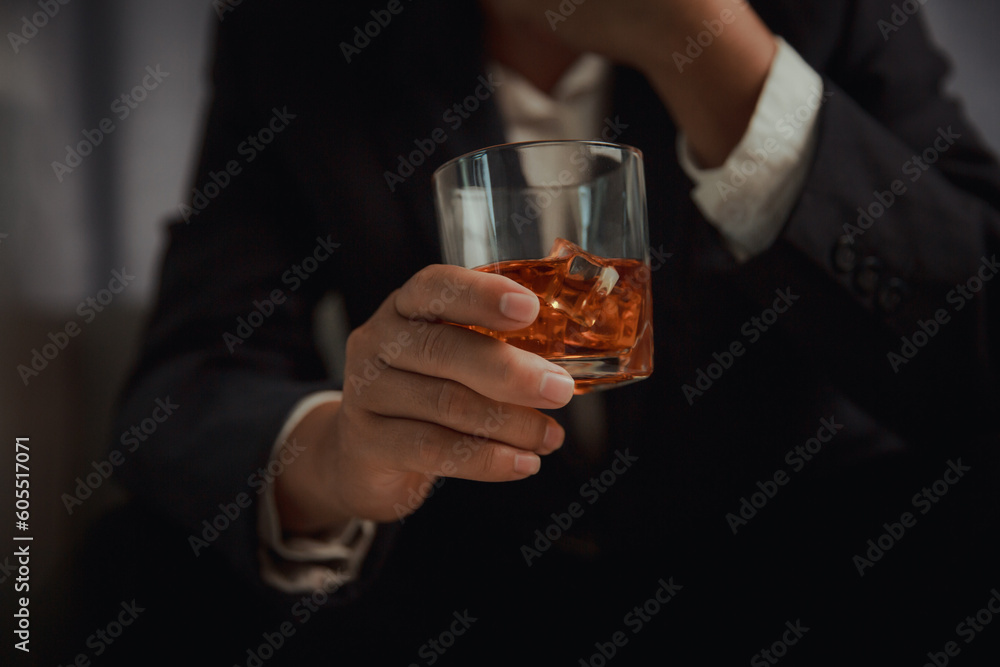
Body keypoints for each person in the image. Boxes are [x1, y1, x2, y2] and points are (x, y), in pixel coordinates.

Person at [79, 0, 998, 664]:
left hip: (802, 563)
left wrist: (704, 47)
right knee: (136, 561)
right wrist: (336, 460)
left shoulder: (828, 12)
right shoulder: (303, 30)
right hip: (462, 577)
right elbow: (187, 381)